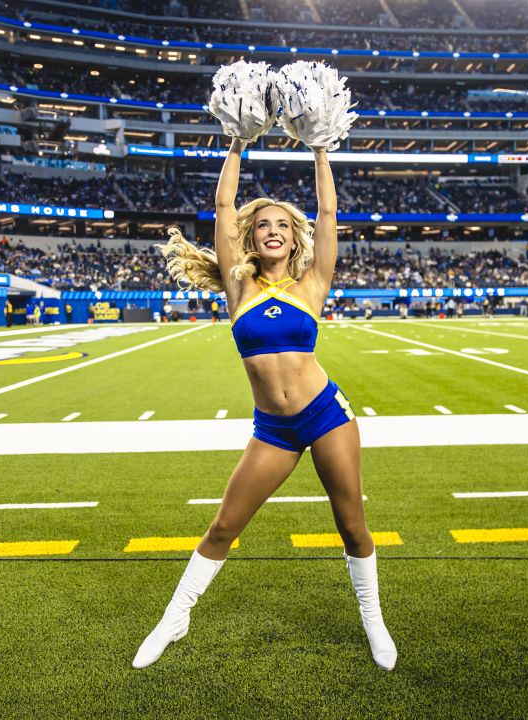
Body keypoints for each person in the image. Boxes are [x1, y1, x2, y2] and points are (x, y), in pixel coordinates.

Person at [140, 137, 396, 670]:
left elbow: (328, 210)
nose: (274, 230)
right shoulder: (240, 289)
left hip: (326, 415)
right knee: (223, 527)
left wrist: (322, 150)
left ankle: (373, 618)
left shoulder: (313, 283)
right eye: (263, 225)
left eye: (282, 224)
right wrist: (236, 142)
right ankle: (175, 616)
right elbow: (222, 206)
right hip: (274, 430)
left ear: (292, 236)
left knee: (351, 524)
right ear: (250, 238)